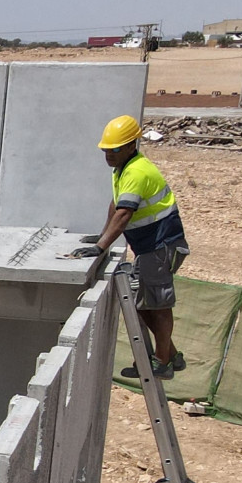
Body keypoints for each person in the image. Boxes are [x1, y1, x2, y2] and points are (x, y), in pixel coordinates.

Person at [77, 114, 190, 380]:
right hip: (149, 246)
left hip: (161, 245)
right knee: (144, 304)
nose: (108, 155)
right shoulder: (123, 170)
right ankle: (172, 355)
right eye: (106, 150)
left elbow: (125, 213)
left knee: (158, 306)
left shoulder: (137, 171)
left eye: (114, 150)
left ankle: (162, 362)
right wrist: (103, 236)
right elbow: (116, 205)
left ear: (131, 146)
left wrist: (101, 247)